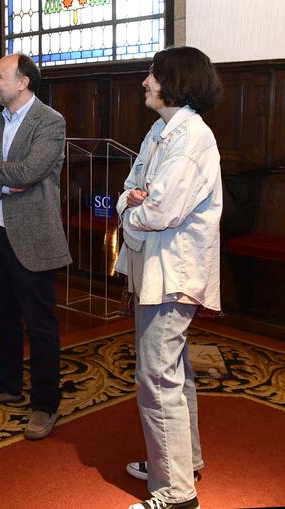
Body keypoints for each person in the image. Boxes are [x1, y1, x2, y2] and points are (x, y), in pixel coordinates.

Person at [116, 46, 223, 509]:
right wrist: (130, 203)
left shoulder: (191, 138)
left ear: (175, 81)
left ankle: (176, 492)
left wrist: (136, 208)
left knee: (157, 377)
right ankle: (182, 462)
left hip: (174, 270)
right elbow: (127, 191)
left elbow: (160, 210)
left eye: (153, 75)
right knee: (173, 371)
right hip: (154, 266)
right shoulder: (161, 131)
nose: (145, 81)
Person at [0, 53, 71, 440]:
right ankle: (7, 386)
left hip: (33, 238)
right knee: (2, 316)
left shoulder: (50, 122)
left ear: (23, 82)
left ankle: (45, 405)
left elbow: (30, 171)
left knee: (40, 324)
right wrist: (1, 178)